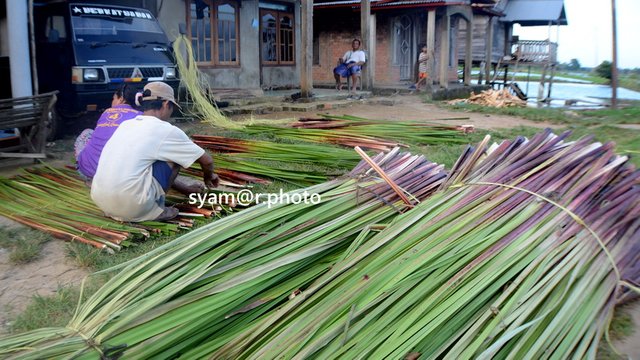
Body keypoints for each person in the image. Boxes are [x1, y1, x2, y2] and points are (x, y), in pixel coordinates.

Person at [91, 81, 219, 222]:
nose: (171, 113)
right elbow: (207, 160)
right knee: (175, 157)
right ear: (165, 104)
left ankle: (120, 209)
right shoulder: (166, 130)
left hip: (101, 201)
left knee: (147, 162)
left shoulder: (126, 125)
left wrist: (186, 189)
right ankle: (156, 210)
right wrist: (209, 176)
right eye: (172, 108)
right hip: (133, 207)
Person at [75, 84, 142, 180]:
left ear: (121, 99)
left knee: (87, 133)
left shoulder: (106, 112)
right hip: (120, 176)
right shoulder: (140, 116)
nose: (112, 102)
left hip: (88, 171)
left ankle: (90, 178)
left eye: (113, 98)